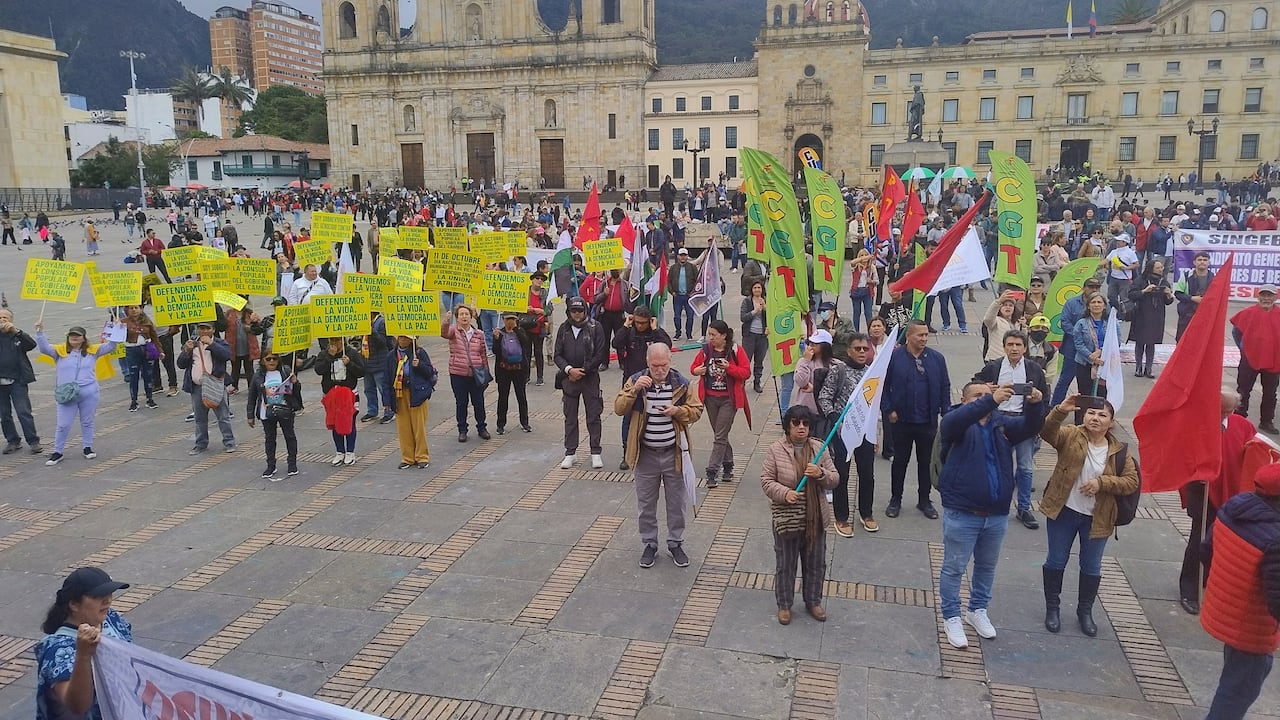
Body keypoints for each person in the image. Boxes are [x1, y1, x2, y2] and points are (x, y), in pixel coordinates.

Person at [937, 382, 1046, 648]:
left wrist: (1035, 405)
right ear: (963, 399)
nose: (985, 400)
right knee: (954, 568)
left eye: (987, 395)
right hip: (963, 511)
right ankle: (951, 616)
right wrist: (991, 400)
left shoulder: (1001, 425)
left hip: (996, 513)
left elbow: (1031, 427)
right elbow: (959, 419)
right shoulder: (955, 421)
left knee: (986, 566)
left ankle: (977, 610)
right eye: (977, 396)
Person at [1038, 393, 1139, 636]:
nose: (1096, 418)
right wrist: (1061, 410)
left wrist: (1102, 483)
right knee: (1055, 560)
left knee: (1091, 566)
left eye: (1102, 415)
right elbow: (1047, 432)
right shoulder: (1071, 434)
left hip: (1098, 517)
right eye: (1092, 413)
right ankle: (1052, 608)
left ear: (1111, 422)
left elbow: (1131, 482)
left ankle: (1085, 612)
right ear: (1084, 416)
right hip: (1064, 511)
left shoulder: (1119, 451)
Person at [1199, 461, 1280, 720]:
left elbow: (1206, 550)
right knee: (1237, 694)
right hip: (1252, 629)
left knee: (1234, 678)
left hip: (1227, 613)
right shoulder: (1275, 537)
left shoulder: (1237, 505)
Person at [615, 343, 705, 568]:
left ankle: (675, 542)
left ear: (670, 362)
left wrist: (678, 411)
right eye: (655, 365)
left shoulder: (681, 384)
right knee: (646, 503)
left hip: (674, 454)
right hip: (645, 455)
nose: (659, 370)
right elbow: (618, 408)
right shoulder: (636, 380)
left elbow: (696, 411)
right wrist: (634, 389)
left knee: (677, 503)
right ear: (647, 363)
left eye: (663, 365)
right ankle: (650, 543)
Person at [1179, 389, 1256, 616]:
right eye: (1220, 410)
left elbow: (1253, 453)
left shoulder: (1242, 426)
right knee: (1199, 540)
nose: (1224, 414)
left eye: (1228, 410)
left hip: (1232, 493)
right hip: (1202, 492)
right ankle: (1189, 589)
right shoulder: (1198, 424)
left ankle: (1213, 583)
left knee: (1225, 544)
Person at [761, 405, 840, 625]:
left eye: (805, 423)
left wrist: (821, 473)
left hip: (815, 517)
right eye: (796, 423)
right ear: (788, 426)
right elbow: (766, 481)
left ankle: (813, 601)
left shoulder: (819, 448)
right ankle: (784, 604)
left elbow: (835, 478)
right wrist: (785, 494)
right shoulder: (775, 450)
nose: (801, 428)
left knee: (816, 562)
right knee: (785, 563)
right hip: (787, 518)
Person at [972, 329, 1049, 530]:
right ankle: (992, 502)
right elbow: (974, 384)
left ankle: (1024, 507)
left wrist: (1038, 402)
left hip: (1023, 422)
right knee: (995, 465)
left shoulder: (1034, 369)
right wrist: (986, 388)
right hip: (998, 422)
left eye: (1018, 345)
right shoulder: (993, 367)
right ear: (1004, 346)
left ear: (1024, 348)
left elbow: (1045, 399)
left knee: (1025, 467)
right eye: (1010, 345)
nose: (1014, 348)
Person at [35, 567, 133, 720]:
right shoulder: (57, 649)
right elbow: (78, 706)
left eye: (109, 593)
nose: (107, 600)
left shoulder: (111, 619)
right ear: (74, 604)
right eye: (97, 596)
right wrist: (84, 655)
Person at [882, 320, 951, 520]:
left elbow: (945, 386)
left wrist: (946, 413)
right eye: (920, 335)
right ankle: (895, 499)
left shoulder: (936, 358)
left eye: (926, 335)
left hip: (927, 421)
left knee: (926, 462)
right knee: (900, 462)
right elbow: (883, 386)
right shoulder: (894, 357)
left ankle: (924, 500)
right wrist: (889, 409)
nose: (924, 338)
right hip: (902, 421)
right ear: (909, 336)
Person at [817, 332, 878, 534]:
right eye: (857, 348)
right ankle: (841, 517)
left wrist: (876, 432)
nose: (862, 352)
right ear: (849, 350)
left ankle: (866, 513)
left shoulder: (872, 373)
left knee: (867, 473)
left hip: (864, 432)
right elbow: (824, 397)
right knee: (842, 475)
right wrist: (836, 418)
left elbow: (874, 404)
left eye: (865, 349)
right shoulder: (838, 371)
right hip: (842, 431)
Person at [36, 323, 117, 466]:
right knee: (63, 424)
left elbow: (111, 346)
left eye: (77, 335)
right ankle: (58, 451)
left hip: (89, 392)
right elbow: (44, 348)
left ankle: (87, 447)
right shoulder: (59, 351)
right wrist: (40, 332)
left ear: (84, 338)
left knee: (87, 421)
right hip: (67, 394)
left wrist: (117, 328)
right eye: (71, 335)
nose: (74, 337)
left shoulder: (93, 351)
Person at [689, 319, 751, 488]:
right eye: (709, 335)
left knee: (719, 436)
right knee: (720, 434)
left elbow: (746, 372)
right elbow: (693, 367)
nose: (711, 338)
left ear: (724, 336)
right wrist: (697, 370)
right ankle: (728, 464)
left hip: (728, 399)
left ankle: (712, 471)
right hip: (710, 398)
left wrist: (729, 368)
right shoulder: (705, 350)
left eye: (714, 335)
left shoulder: (735, 350)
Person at [613, 306, 672, 469]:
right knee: (628, 419)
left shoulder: (654, 334)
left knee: (652, 417)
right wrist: (626, 326)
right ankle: (627, 453)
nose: (639, 326)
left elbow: (667, 345)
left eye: (643, 323)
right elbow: (616, 343)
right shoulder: (629, 332)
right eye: (637, 322)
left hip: (653, 383)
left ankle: (650, 448)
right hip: (633, 381)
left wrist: (655, 329)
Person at [555, 296, 608, 468]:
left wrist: (583, 371)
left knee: (593, 415)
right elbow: (557, 354)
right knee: (570, 416)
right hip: (569, 379)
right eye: (573, 311)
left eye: (580, 310)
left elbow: (601, 353)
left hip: (590, 378)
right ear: (568, 312)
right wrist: (569, 370)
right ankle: (570, 452)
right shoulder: (563, 329)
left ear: (585, 310)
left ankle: (595, 451)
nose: (577, 314)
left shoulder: (595, 327)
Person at [176, 320, 236, 455]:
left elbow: (226, 355)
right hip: (197, 387)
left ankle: (229, 442)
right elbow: (180, 364)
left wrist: (211, 344)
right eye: (200, 328)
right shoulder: (192, 344)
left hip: (215, 384)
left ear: (213, 330)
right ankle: (201, 444)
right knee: (200, 418)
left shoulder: (219, 343)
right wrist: (186, 351)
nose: (203, 331)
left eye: (206, 328)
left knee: (223, 416)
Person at [1231, 284, 1280, 435]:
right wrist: (1244, 349)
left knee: (1270, 393)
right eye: (1263, 295)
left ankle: (1266, 421)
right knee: (1243, 390)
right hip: (1250, 359)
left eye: (1269, 295)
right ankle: (1240, 418)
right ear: (1258, 296)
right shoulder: (1248, 313)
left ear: (1275, 297)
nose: (1266, 298)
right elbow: (1236, 332)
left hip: (1274, 360)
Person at [384, 334, 437, 470]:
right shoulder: (391, 356)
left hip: (417, 394)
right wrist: (387, 400)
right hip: (399, 394)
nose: (402, 340)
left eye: (406, 338)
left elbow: (430, 372)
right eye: (400, 337)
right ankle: (407, 457)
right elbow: (386, 378)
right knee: (403, 428)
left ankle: (422, 457)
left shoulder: (419, 353)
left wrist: (419, 365)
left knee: (419, 427)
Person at [441, 304, 491, 442]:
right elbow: (443, 333)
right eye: (461, 314)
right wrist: (446, 321)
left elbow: (483, 354)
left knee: (479, 403)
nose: (464, 317)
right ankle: (462, 430)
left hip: (476, 373)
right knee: (461, 403)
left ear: (471, 316)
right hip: (458, 373)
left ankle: (482, 428)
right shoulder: (453, 331)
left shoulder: (479, 334)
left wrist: (486, 372)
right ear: (457, 318)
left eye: (466, 314)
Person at [245, 352, 299, 479]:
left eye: (274, 358)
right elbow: (252, 395)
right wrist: (250, 414)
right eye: (268, 359)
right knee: (270, 439)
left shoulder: (285, 371)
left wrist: (295, 382)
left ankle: (292, 464)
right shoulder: (258, 375)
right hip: (267, 412)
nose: (271, 361)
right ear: (263, 361)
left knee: (290, 436)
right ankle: (271, 465)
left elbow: (295, 391)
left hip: (285, 410)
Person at [1051, 277, 1103, 406]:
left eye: (1096, 288)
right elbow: (1064, 322)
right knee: (1065, 380)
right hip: (1072, 349)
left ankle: (1089, 409)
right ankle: (1054, 408)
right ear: (1084, 288)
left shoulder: (1101, 303)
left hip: (1094, 352)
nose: (1093, 290)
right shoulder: (1072, 303)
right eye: (1090, 287)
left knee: (1092, 383)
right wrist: (1080, 334)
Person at [315, 336, 366, 465]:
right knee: (334, 423)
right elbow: (318, 370)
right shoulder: (323, 354)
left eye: (337, 340)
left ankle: (350, 452)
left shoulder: (352, 353)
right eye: (332, 340)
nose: (334, 343)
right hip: (332, 394)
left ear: (343, 341)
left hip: (348, 394)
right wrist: (329, 357)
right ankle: (339, 452)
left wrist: (349, 364)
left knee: (349, 422)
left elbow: (361, 372)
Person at [0, 308, 41, 455]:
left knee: (23, 411)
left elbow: (31, 345)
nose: (2, 320)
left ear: (11, 320)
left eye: (5, 317)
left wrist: (16, 331)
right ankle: (12, 440)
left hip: (18, 380)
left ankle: (33, 441)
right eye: (0, 317)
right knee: (4, 414)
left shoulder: (16, 335)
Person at [1127, 260, 1174, 378]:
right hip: (1141, 314)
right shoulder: (1141, 280)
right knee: (1140, 342)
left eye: (1162, 267)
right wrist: (1144, 291)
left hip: (1156, 316)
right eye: (1158, 267)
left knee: (1151, 343)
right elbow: (1131, 295)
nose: (1161, 269)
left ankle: (1149, 368)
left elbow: (1168, 302)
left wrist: (1169, 294)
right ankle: (1138, 367)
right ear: (1151, 268)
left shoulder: (1164, 281)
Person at [494, 311, 532, 434]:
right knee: (502, 397)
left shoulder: (520, 331)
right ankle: (500, 424)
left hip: (519, 370)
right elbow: (495, 351)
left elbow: (526, 343)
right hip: (503, 369)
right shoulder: (499, 332)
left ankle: (524, 422)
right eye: (508, 319)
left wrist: (516, 329)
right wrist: (496, 339)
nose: (510, 321)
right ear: (503, 320)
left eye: (512, 319)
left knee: (521, 396)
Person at [1072, 292, 1111, 411]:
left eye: (1099, 302)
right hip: (1084, 363)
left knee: (1102, 395)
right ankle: (1080, 422)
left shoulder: (1110, 323)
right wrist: (1091, 356)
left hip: (1104, 364)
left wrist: (1100, 352)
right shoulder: (1081, 323)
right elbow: (1078, 343)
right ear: (1088, 306)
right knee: (1084, 395)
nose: (1096, 305)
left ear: (1104, 306)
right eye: (1093, 302)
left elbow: (1116, 342)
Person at [120, 305, 161, 412]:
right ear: (127, 310)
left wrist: (160, 351)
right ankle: (134, 401)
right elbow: (114, 336)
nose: (134, 310)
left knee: (148, 375)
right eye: (131, 308)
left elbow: (154, 336)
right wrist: (115, 326)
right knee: (133, 377)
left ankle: (150, 399)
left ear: (141, 309)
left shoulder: (147, 320)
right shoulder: (122, 322)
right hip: (132, 350)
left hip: (146, 349)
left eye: (136, 308)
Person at [360, 310, 395, 424]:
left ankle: (389, 411)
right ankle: (372, 410)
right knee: (368, 389)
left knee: (383, 388)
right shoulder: (363, 323)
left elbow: (383, 342)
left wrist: (371, 331)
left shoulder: (381, 323)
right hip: (367, 362)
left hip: (380, 362)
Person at [1174, 251, 1215, 341]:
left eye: (1205, 260)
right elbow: (1178, 294)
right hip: (1187, 314)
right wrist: (1192, 298)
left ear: (1209, 263)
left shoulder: (1214, 278)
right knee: (1182, 339)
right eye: (1199, 260)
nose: (1202, 262)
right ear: (1194, 262)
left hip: (1205, 315)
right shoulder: (1186, 276)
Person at [740, 279, 768, 393]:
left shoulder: (765, 301)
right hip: (749, 335)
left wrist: (766, 309)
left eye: (759, 288)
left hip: (762, 336)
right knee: (745, 360)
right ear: (752, 290)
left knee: (759, 360)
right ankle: (742, 382)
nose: (757, 290)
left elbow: (772, 317)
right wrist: (755, 311)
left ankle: (757, 382)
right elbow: (743, 317)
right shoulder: (747, 302)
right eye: (755, 288)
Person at [982, 293, 1020, 362]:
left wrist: (1023, 328)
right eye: (1005, 305)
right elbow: (987, 319)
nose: (1008, 307)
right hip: (996, 358)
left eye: (1011, 305)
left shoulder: (1017, 323)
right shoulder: (995, 321)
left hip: (1012, 359)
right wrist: (998, 302)